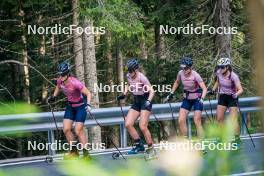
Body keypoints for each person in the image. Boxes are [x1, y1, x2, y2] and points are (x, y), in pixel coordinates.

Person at [48, 62, 92, 159]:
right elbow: (58, 87)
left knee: (78, 130)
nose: (61, 76)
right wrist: (53, 96)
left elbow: (88, 93)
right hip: (70, 107)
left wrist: (88, 104)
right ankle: (74, 152)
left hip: (81, 107)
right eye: (60, 74)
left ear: (67, 73)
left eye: (63, 74)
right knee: (66, 129)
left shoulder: (75, 83)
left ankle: (86, 155)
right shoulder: (60, 81)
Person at [117, 58, 156, 158]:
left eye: (131, 71)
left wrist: (148, 101)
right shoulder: (129, 76)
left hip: (145, 101)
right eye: (128, 71)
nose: (129, 73)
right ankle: (139, 146)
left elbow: (152, 91)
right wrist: (124, 94)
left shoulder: (142, 78)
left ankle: (151, 148)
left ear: (136, 69)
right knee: (128, 124)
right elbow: (128, 84)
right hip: (136, 101)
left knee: (142, 126)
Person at [166, 57, 207, 138]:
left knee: (197, 121)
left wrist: (202, 99)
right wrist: (171, 93)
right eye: (183, 68)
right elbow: (177, 82)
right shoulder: (180, 73)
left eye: (186, 68)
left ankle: (201, 144)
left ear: (190, 67)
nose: (184, 70)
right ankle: (186, 140)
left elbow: (204, 89)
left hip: (197, 100)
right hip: (187, 99)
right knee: (181, 120)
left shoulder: (196, 75)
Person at [209, 57, 243, 144]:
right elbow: (218, 82)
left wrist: (236, 94)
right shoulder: (219, 73)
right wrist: (213, 90)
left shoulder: (233, 76)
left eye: (222, 67)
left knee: (233, 120)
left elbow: (241, 90)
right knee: (219, 119)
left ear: (227, 67)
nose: (220, 69)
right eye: (219, 67)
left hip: (232, 97)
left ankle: (237, 139)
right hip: (223, 96)